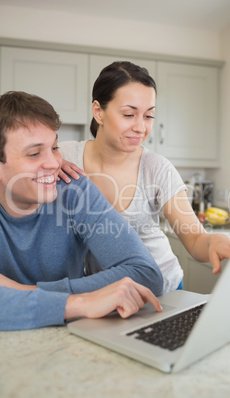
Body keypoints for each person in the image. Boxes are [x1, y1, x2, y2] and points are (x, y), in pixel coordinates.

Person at [59, 61, 230, 293]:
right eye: (129, 114)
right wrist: (48, 162)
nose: (141, 127)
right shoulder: (64, 155)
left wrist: (212, 241)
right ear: (98, 111)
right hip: (105, 292)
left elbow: (194, 239)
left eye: (148, 116)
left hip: (161, 288)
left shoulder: (157, 168)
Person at [0, 91, 163, 331]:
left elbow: (145, 274)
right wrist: (77, 302)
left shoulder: (74, 191)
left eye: (54, 148)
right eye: (34, 153)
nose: (54, 163)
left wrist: (25, 294)